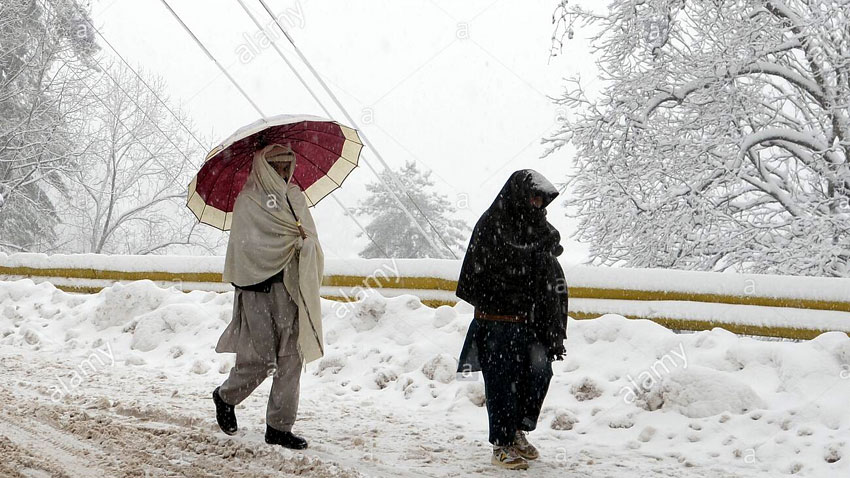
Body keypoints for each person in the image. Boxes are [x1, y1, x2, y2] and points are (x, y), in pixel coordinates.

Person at [211, 144, 325, 450]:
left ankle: (279, 427)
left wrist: (304, 245)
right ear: (263, 167)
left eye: (288, 166)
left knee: (291, 358)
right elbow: (245, 248)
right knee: (260, 360)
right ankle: (225, 397)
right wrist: (281, 243)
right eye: (276, 166)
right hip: (256, 291)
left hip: (289, 289)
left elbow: (311, 239)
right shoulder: (248, 201)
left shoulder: (294, 197)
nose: (283, 173)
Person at [456, 169, 568, 470]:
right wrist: (516, 282)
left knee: (539, 373)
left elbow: (544, 262)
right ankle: (501, 443)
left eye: (541, 200)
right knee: (502, 383)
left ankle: (517, 429)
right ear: (518, 195)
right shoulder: (492, 225)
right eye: (533, 198)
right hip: (497, 321)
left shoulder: (538, 228)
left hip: (531, 321)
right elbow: (478, 275)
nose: (537, 205)